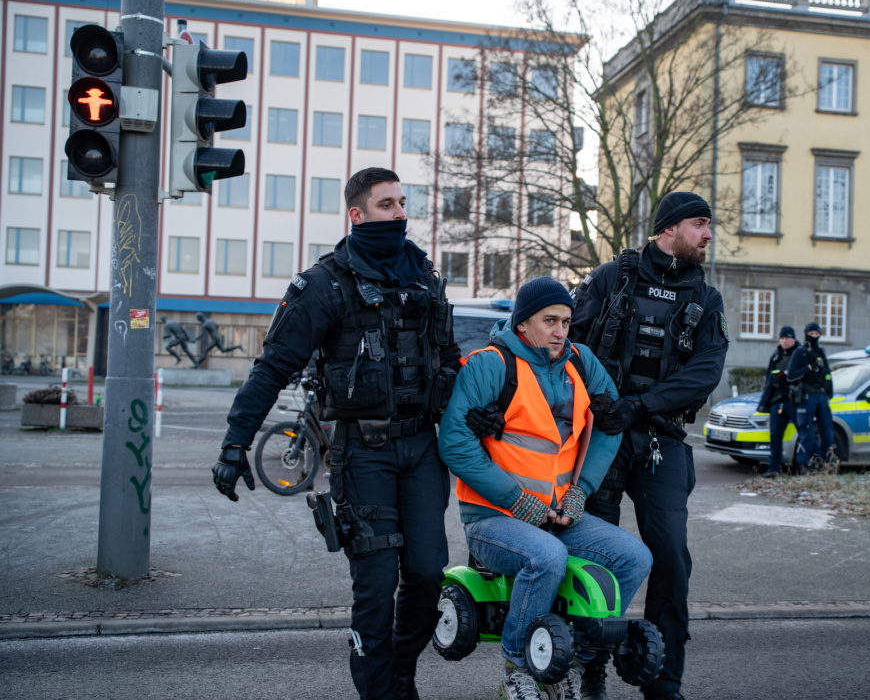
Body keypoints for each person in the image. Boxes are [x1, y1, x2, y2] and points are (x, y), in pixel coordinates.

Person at [211, 167, 460, 700]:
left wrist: (481, 416)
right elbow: (273, 367)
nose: (399, 213)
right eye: (386, 205)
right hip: (364, 451)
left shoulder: (424, 277)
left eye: (402, 203)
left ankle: (400, 675)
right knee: (375, 583)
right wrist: (235, 442)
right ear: (356, 214)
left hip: (422, 446)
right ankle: (380, 692)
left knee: (427, 574)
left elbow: (450, 358)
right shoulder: (324, 284)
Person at [440, 277, 652, 700]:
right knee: (546, 556)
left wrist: (580, 490)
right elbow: (455, 443)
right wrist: (517, 501)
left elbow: (610, 425)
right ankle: (517, 669)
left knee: (634, 558)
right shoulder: (490, 365)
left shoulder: (581, 362)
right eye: (549, 321)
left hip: (557, 513)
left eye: (566, 322)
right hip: (493, 518)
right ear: (522, 323)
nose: (560, 332)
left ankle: (569, 663)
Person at [570, 192, 730, 700]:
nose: (708, 234)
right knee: (592, 557)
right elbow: (565, 343)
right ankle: (589, 666)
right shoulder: (610, 279)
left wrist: (640, 406)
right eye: (699, 224)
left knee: (672, 558)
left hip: (662, 440)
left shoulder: (707, 299)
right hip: (601, 439)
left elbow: (705, 373)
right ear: (669, 228)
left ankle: (664, 682)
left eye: (708, 225)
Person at [787, 321, 835, 471]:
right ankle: (804, 464)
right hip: (807, 396)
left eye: (817, 334)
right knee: (806, 431)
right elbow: (791, 375)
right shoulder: (800, 352)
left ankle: (823, 461)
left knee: (827, 431)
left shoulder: (820, 352)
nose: (814, 336)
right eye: (811, 334)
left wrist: (829, 391)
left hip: (821, 395)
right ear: (806, 334)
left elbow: (827, 373)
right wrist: (807, 368)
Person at [755, 326, 799, 477]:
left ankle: (804, 467)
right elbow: (769, 381)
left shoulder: (800, 354)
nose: (785, 341)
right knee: (775, 436)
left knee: (804, 434)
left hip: (794, 401)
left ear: (794, 339)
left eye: (788, 338)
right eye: (782, 338)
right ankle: (774, 468)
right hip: (777, 401)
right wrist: (764, 403)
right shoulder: (776, 355)